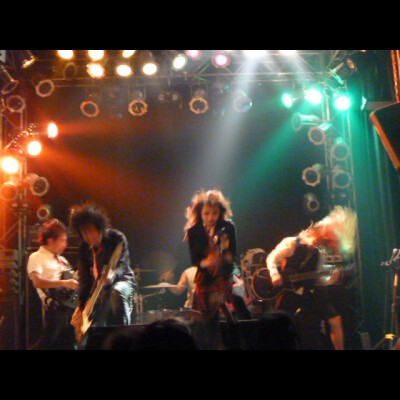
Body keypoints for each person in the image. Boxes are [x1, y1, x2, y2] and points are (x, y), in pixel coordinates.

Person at [266, 205, 357, 350]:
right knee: (284, 326)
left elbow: (319, 278)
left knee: (335, 320)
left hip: (309, 290)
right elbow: (272, 258)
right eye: (316, 239)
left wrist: (332, 279)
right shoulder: (291, 243)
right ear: (311, 233)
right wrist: (274, 274)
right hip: (289, 292)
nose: (317, 243)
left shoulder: (319, 252)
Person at [69, 201, 136, 347]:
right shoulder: (84, 248)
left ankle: (125, 339)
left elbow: (123, 265)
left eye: (89, 230)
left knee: (116, 291)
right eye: (83, 233)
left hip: (122, 280)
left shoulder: (116, 238)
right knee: (93, 329)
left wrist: (112, 275)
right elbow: (85, 279)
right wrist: (81, 306)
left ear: (99, 227)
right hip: (99, 290)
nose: (87, 236)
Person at [184, 189, 251, 332]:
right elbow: (195, 260)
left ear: (220, 212)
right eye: (206, 213)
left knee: (239, 303)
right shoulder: (193, 231)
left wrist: (225, 255)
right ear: (200, 213)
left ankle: (249, 334)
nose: (210, 217)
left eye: (214, 213)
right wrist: (207, 262)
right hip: (205, 276)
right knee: (208, 319)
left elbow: (232, 255)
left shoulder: (228, 227)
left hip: (226, 273)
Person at [26, 218, 79, 350]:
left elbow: (72, 278)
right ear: (50, 241)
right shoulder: (36, 257)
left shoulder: (62, 259)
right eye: (62, 240)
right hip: (54, 308)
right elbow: (37, 282)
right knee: (47, 342)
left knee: (68, 344)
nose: (65, 244)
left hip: (70, 307)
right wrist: (65, 283)